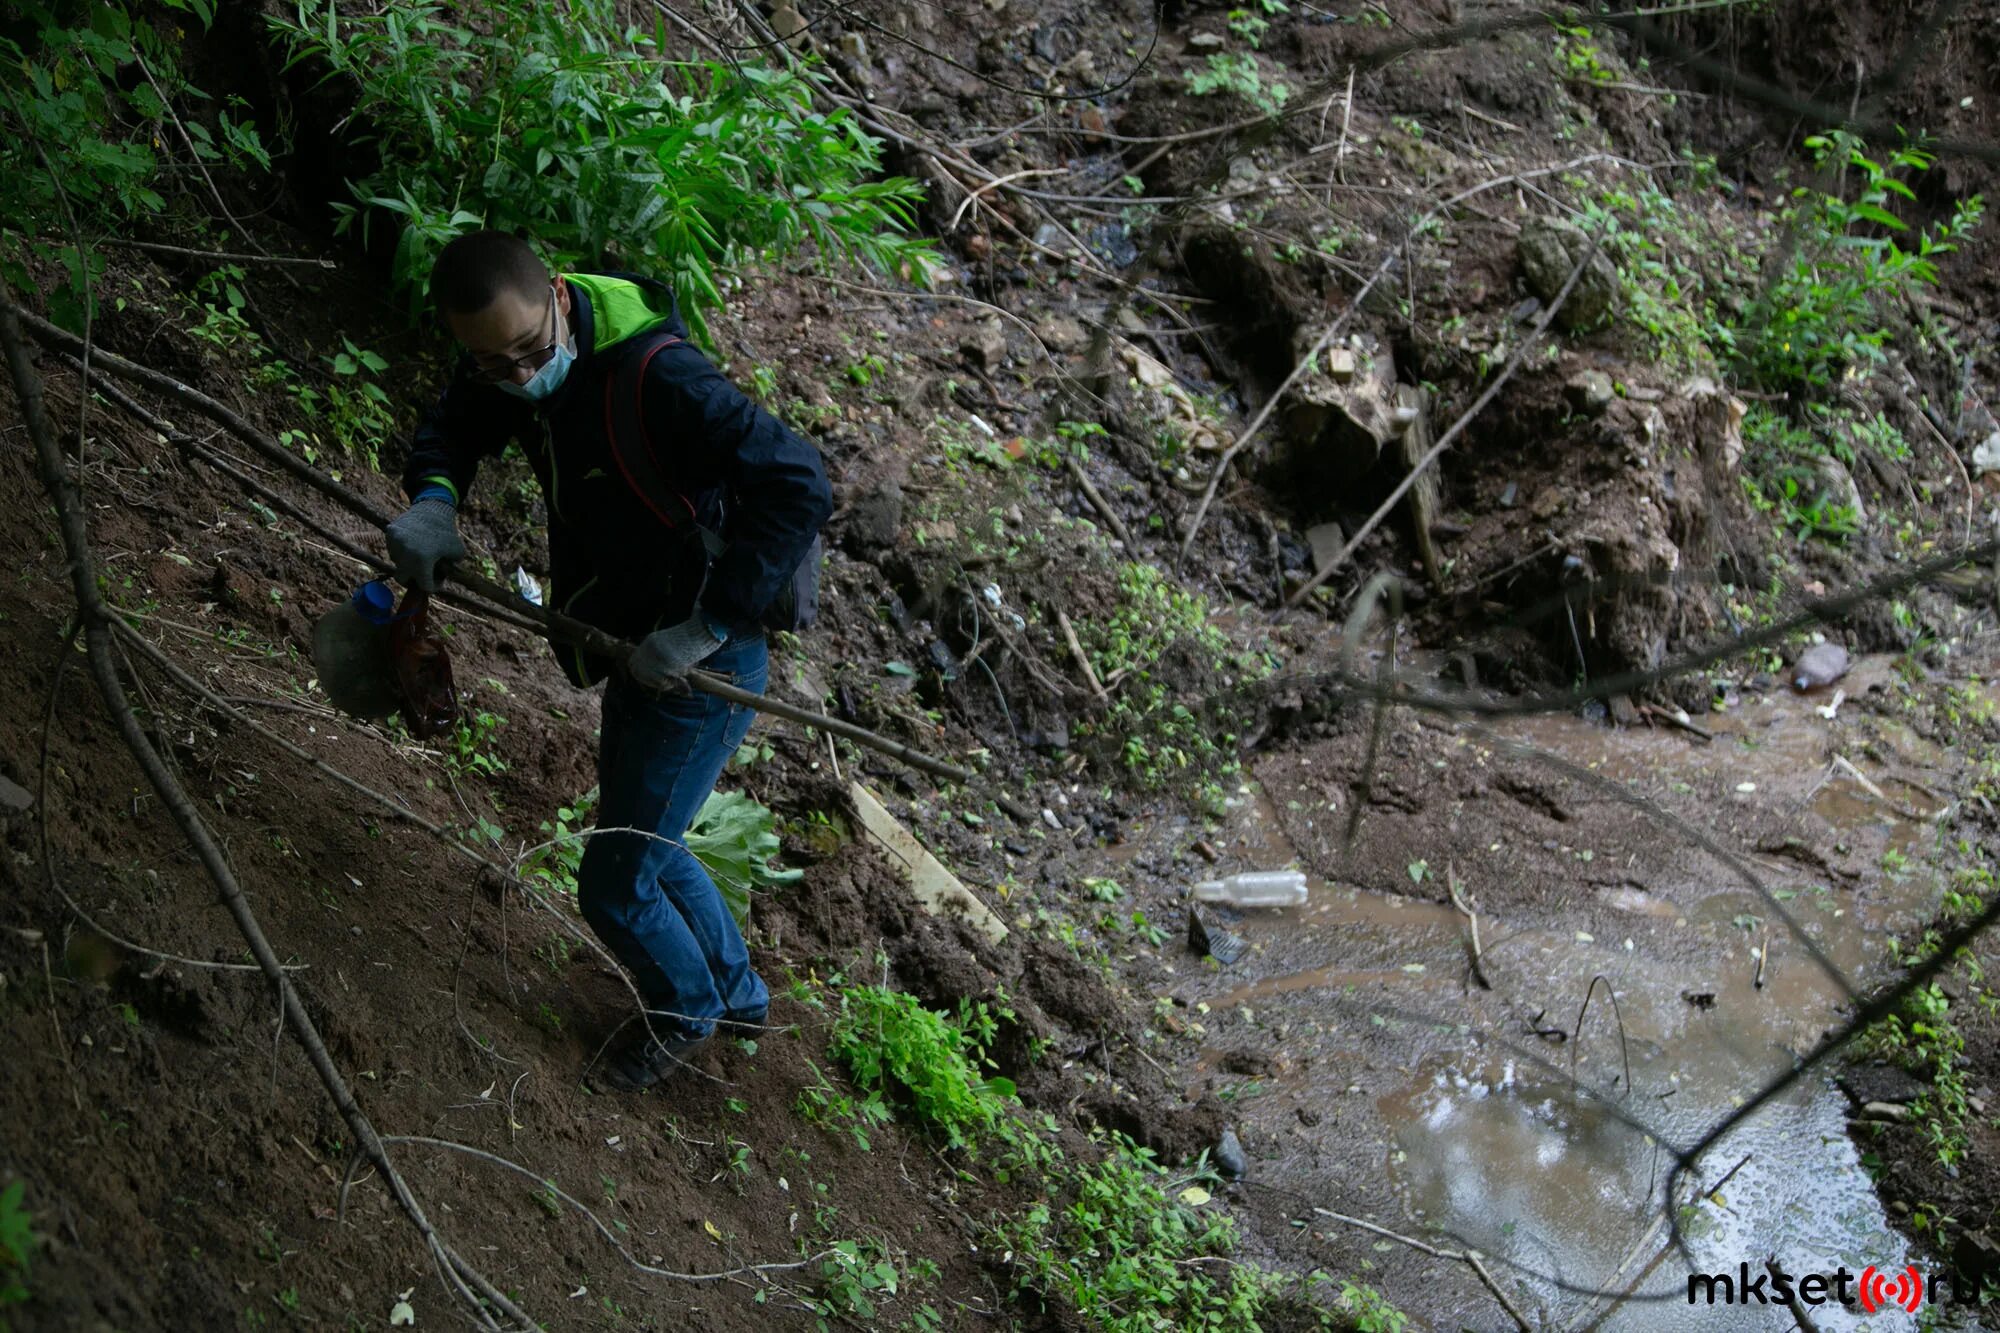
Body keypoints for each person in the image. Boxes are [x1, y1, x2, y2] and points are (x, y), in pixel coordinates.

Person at [384, 231, 831, 1092]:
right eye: (492, 362)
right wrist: (435, 500)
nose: (518, 377)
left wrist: (708, 626)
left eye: (529, 352)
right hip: (630, 644)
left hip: (706, 665)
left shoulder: (661, 378)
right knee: (646, 836)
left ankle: (685, 1009)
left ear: (557, 294)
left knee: (614, 880)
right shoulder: (503, 363)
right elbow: (455, 422)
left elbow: (799, 481)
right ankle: (737, 995)